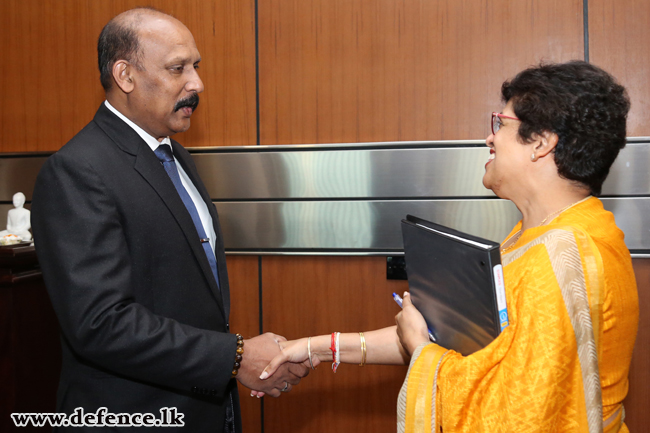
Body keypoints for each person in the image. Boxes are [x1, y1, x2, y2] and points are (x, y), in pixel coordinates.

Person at [260, 61, 639, 433]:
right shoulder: (546, 233)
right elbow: (465, 343)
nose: (489, 138)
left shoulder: (560, 260)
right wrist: (315, 347)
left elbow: (516, 416)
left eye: (500, 124)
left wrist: (422, 351)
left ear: (540, 143)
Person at [31, 8, 307, 432]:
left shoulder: (175, 156)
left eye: (195, 66)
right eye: (177, 68)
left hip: (202, 408)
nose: (196, 84)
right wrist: (234, 357)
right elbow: (101, 323)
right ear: (125, 76)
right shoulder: (77, 171)